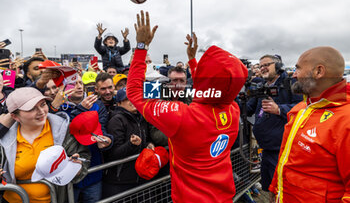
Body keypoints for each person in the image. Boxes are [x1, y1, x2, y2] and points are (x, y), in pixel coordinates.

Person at [127, 11, 248, 202]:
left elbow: (133, 93)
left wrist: (141, 47)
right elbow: (215, 86)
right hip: (223, 195)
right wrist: (192, 61)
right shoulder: (233, 109)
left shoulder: (182, 115)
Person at [269, 46, 350, 203]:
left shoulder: (345, 120)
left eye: (298, 68)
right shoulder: (300, 108)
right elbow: (285, 158)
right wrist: (275, 187)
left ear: (318, 72)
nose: (294, 74)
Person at [0, 87, 90, 203]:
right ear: (15, 116)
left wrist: (77, 168)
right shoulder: (4, 139)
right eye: (31, 109)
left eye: (43, 104)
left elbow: (84, 158)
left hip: (54, 199)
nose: (41, 111)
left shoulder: (64, 130)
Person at [245, 54, 302, 192]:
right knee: (270, 189)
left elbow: (303, 107)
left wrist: (279, 109)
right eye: (260, 66)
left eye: (266, 65)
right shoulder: (261, 86)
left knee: (282, 190)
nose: (263, 68)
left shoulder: (290, 84)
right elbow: (248, 108)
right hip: (266, 148)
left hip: (282, 150)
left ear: (278, 66)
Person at [102, 87, 154, 198]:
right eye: (128, 99)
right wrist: (131, 144)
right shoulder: (116, 120)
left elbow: (144, 140)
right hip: (120, 182)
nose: (133, 101)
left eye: (135, 97)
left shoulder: (140, 117)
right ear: (119, 103)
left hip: (139, 177)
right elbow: (113, 154)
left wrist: (147, 144)